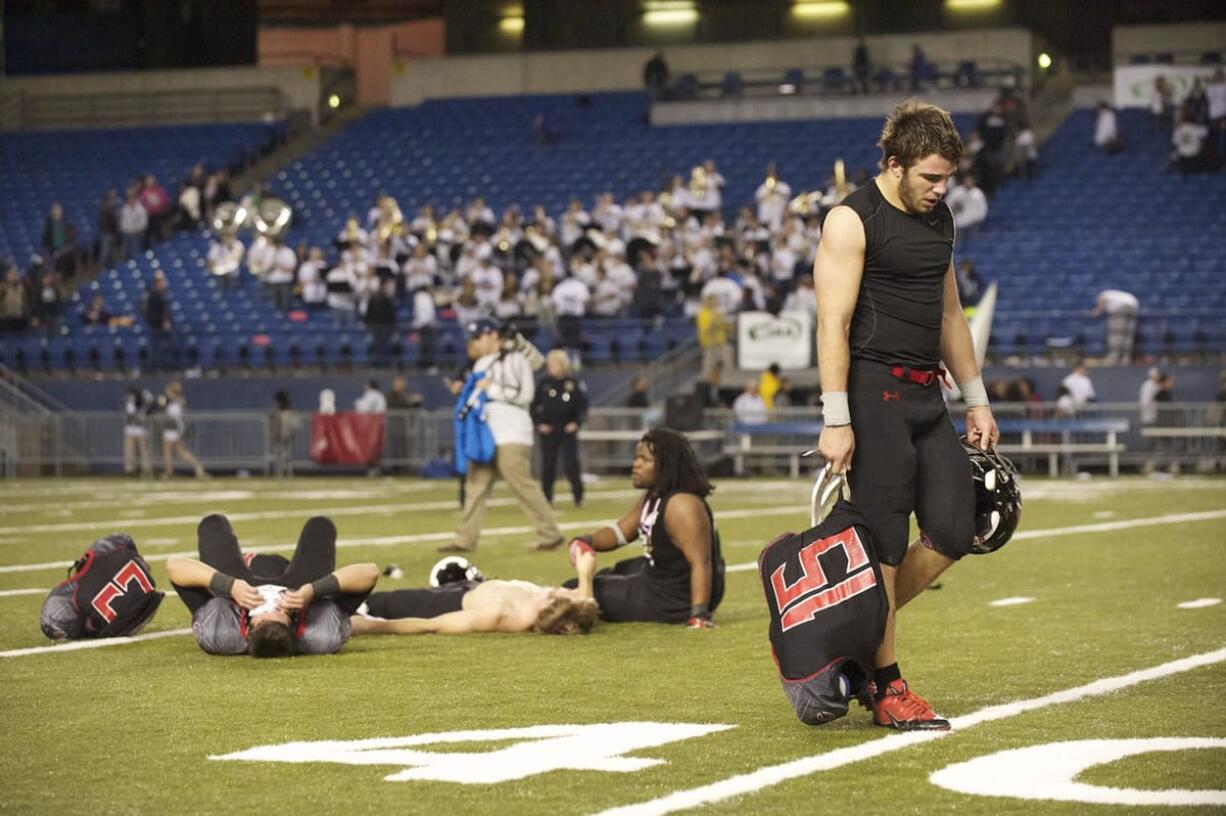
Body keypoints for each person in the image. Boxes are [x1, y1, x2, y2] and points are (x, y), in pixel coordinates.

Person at [812, 100, 999, 731]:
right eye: (930, 177)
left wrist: (976, 397)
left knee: (955, 527)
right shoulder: (851, 219)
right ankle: (887, 686)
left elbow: (951, 316)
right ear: (894, 165)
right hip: (873, 394)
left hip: (926, 397)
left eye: (946, 178)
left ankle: (854, 642)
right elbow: (831, 323)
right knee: (885, 544)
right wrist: (836, 417)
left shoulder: (939, 216)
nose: (941, 189)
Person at [562, 428, 725, 626]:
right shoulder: (655, 495)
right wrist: (587, 540)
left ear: (666, 465)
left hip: (672, 599)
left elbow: (701, 562)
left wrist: (699, 614)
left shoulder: (682, 505)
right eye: (636, 458)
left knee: (572, 589)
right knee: (616, 570)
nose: (636, 465)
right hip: (660, 577)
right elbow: (621, 532)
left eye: (644, 460)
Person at [166, 515, 379, 657]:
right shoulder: (323, 634)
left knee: (213, 524)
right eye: (279, 610)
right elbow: (370, 572)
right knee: (320, 526)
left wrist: (230, 586)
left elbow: (174, 566)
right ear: (294, 625)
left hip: (239, 587)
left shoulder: (219, 629)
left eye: (263, 611)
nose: (270, 602)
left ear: (248, 627)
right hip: (297, 587)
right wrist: (311, 592)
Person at [442, 318, 563, 553]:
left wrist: (492, 389)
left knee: (522, 485)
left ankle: (550, 534)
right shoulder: (480, 364)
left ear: (492, 335)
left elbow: (524, 394)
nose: (475, 342)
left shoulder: (517, 359)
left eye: (479, 336)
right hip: (486, 433)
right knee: (475, 486)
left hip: (512, 432)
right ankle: (465, 539)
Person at [351, 557, 598, 636]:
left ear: (556, 605)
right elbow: (585, 604)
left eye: (572, 594)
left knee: (368, 602)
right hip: (470, 587)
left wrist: (371, 627)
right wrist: (585, 575)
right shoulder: (552, 600)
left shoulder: (502, 614)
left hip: (440, 603)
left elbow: (432, 625)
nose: (574, 590)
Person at [531, 349, 589, 507]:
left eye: (554, 364)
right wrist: (539, 424)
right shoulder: (543, 383)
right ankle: (546, 498)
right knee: (548, 465)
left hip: (567, 429)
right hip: (548, 430)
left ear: (563, 365)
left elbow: (582, 407)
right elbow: (534, 405)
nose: (551, 367)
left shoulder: (573, 383)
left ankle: (579, 496)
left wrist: (576, 423)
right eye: (549, 364)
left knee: (571, 464)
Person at [161, 381, 206, 479]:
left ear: (172, 392)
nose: (166, 393)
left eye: (168, 391)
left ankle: (169, 472)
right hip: (175, 428)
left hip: (172, 428)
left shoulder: (177, 402)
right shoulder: (174, 401)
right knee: (180, 451)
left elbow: (175, 415)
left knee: (167, 451)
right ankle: (198, 466)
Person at [1090, 289, 1139, 364]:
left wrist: (1095, 312)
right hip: (1134, 306)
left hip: (1121, 308)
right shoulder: (1116, 294)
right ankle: (1125, 359)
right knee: (1127, 335)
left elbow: (1101, 304)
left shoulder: (1104, 294)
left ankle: (1113, 358)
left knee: (1116, 334)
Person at [122, 386, 152, 477]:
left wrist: (141, 414)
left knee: (143, 448)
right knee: (129, 449)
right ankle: (129, 469)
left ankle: (146, 468)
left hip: (139, 427)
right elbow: (129, 414)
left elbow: (147, 407)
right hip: (130, 427)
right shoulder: (129, 403)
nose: (129, 396)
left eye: (130, 394)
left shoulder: (141, 402)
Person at [270, 389, 298, 478]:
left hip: (282, 435)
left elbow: (280, 425)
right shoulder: (288, 411)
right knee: (286, 455)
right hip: (285, 435)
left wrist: (276, 434)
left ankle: (282, 473)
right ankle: (287, 473)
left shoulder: (281, 412)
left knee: (281, 455)